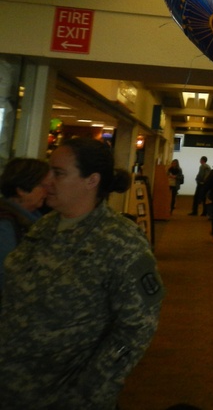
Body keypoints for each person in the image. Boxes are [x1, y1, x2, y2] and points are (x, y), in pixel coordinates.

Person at [0, 137, 164, 409]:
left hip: (62, 394)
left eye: (59, 173)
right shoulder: (43, 227)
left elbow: (136, 329)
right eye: (48, 170)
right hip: (13, 383)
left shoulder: (121, 242)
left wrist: (93, 388)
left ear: (91, 180)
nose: (47, 181)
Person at [0, 157, 51, 291]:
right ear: (22, 190)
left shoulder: (35, 219)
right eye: (42, 186)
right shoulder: (5, 224)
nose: (47, 192)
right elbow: (6, 274)